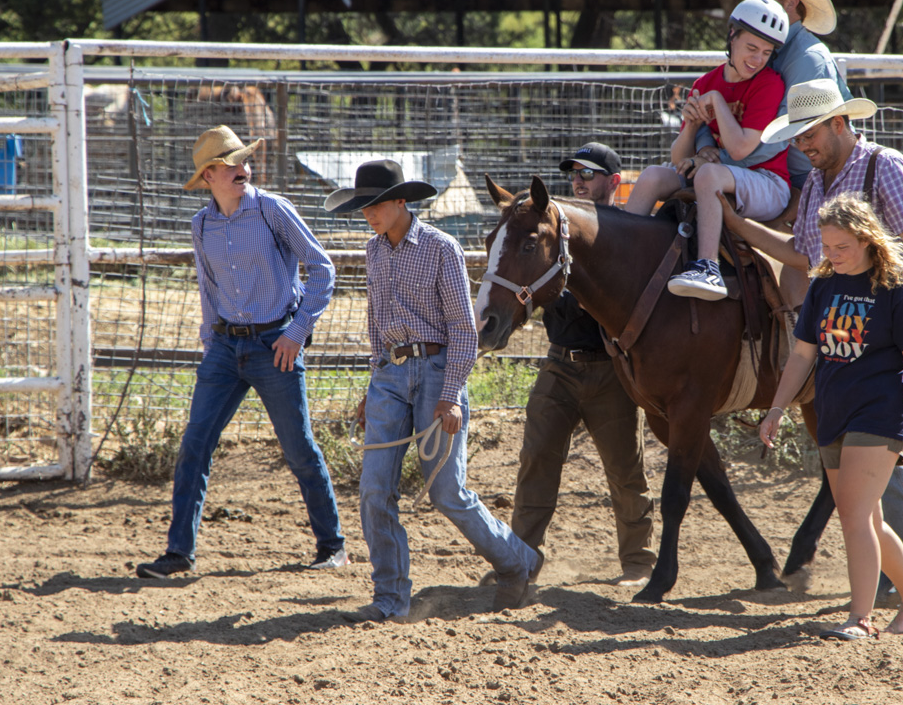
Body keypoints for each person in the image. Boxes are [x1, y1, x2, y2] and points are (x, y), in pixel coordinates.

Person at [720, 79, 903, 582]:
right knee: (866, 444)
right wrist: (741, 227)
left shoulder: (885, 166)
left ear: (840, 123)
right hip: (846, 331)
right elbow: (806, 256)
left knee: (876, 439)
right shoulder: (818, 182)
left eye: (809, 135)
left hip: (887, 330)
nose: (803, 147)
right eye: (796, 139)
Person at [325, 159, 539, 623]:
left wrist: (451, 393)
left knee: (447, 492)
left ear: (401, 201)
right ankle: (390, 600)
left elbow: (464, 329)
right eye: (364, 207)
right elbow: (375, 323)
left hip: (438, 372)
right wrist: (372, 383)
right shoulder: (373, 251)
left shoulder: (443, 249)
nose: (369, 214)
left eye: (375, 205)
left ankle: (517, 561)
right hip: (389, 376)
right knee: (373, 489)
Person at [136, 125, 345, 579]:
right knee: (195, 444)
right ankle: (179, 552)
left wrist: (297, 331)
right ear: (210, 175)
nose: (244, 170)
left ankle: (332, 545)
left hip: (276, 346)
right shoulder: (202, 225)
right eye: (233, 165)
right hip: (225, 348)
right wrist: (213, 346)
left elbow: (323, 269)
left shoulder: (272, 210)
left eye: (245, 162)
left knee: (299, 449)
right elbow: (208, 289)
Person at [758, 194, 903, 639]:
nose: (833, 256)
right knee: (868, 519)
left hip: (880, 413)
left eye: (842, 248)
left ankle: (860, 618)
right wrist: (777, 408)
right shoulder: (822, 286)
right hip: (833, 413)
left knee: (854, 517)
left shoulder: (898, 288)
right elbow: (801, 356)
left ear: (867, 239)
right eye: (827, 247)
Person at [488, 143, 656, 587]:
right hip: (559, 364)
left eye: (589, 172)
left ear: (613, 182)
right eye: (574, 173)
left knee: (625, 470)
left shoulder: (627, 237)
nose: (578, 179)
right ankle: (521, 560)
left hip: (609, 369)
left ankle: (639, 562)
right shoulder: (554, 232)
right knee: (536, 460)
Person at [624, 0, 792, 301]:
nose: (757, 59)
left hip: (768, 184)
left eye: (766, 52)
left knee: (709, 175)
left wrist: (715, 100)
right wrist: (691, 127)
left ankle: (708, 267)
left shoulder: (769, 84)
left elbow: (740, 149)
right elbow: (680, 161)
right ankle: (620, 255)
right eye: (751, 48)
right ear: (732, 37)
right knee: (651, 176)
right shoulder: (704, 82)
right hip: (720, 175)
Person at [721, 0, 851, 192]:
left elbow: (781, 139)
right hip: (768, 170)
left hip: (809, 178)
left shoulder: (808, 58)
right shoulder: (765, 51)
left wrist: (720, 161)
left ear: (791, 3)